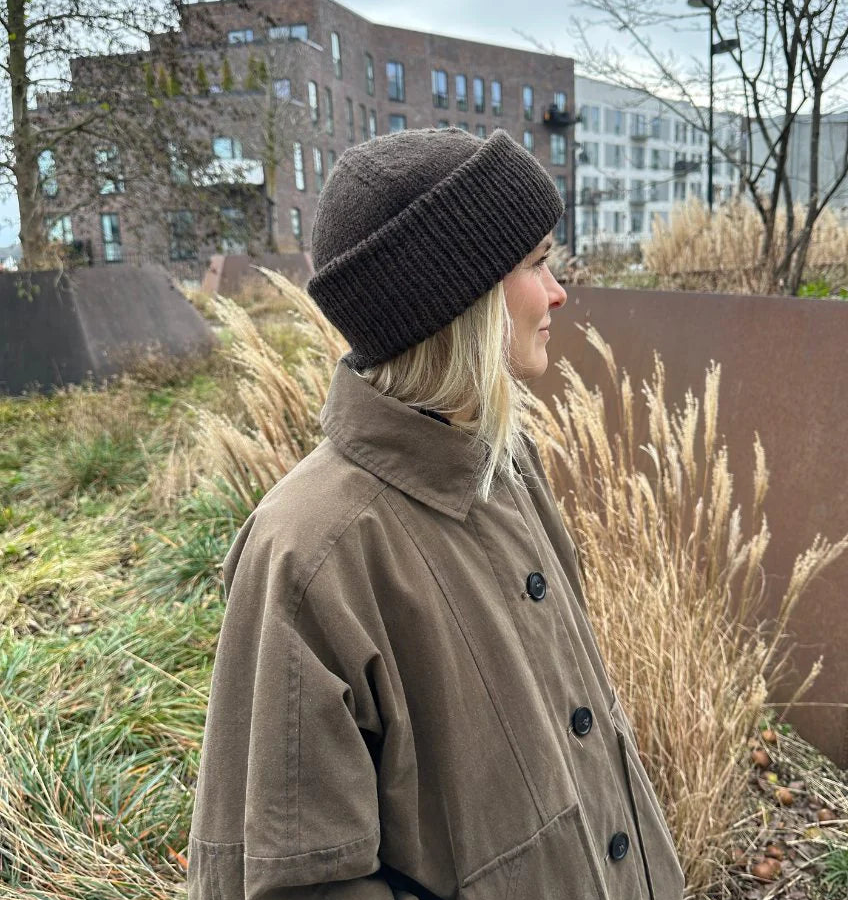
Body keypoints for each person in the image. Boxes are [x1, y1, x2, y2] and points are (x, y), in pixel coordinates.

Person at [186, 126, 685, 900]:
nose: (557, 293)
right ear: (461, 302)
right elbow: (293, 881)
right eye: (536, 263)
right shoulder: (309, 552)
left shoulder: (505, 463)